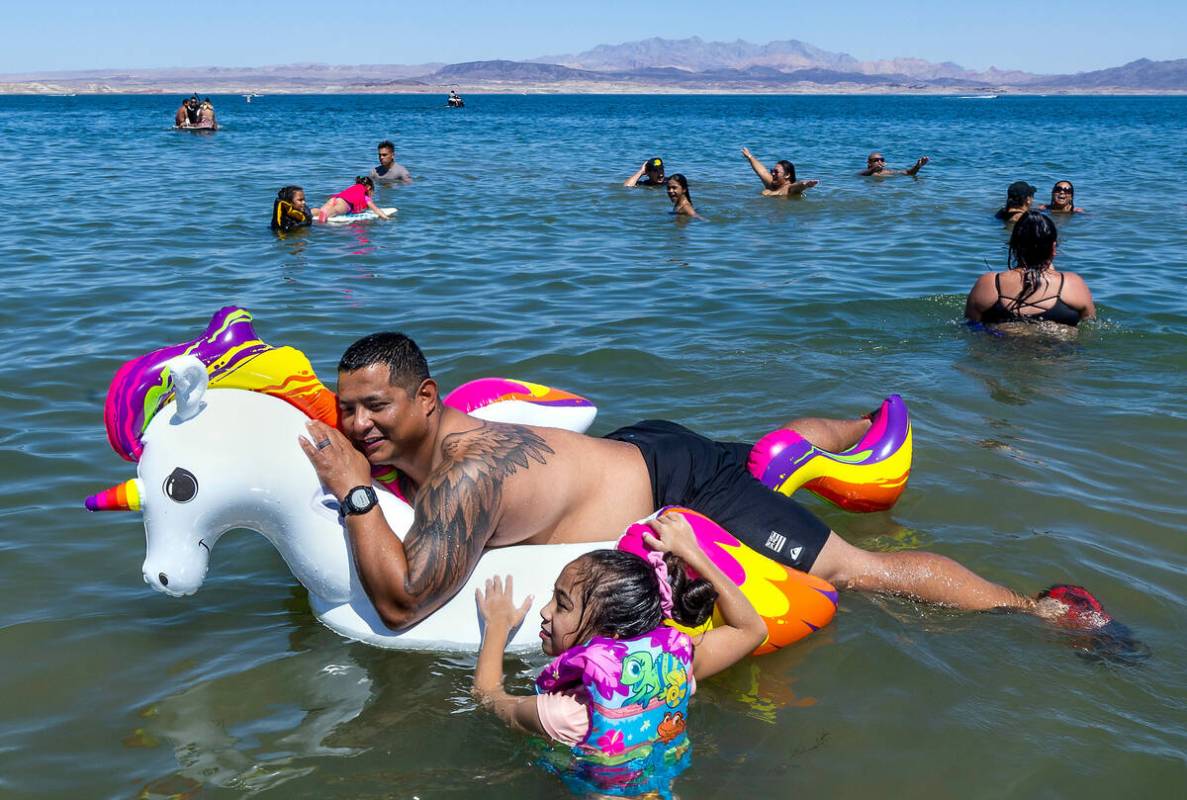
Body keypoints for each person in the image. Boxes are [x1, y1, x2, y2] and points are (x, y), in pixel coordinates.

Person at [299, 332, 1110, 635]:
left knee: (854, 571)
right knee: (765, 459)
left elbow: (404, 603)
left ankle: (1037, 610)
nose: (360, 425)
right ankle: (853, 427)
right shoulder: (409, 439)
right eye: (349, 412)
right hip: (634, 450)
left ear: (427, 400)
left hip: (677, 486)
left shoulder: (465, 475)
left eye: (377, 407)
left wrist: (354, 489)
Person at [472, 513, 765, 797]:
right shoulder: (674, 669)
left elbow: (487, 696)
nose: (545, 611)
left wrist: (496, 628)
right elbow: (750, 629)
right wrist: (693, 554)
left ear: (609, 637)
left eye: (562, 605)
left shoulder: (562, 714)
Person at [965, 211, 1096, 326]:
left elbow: (971, 326)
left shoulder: (989, 283)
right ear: (1053, 248)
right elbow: (1090, 325)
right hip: (1056, 351)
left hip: (1003, 349)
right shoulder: (1072, 284)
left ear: (1014, 246)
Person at [741, 148, 818, 197]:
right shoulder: (772, 183)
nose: (773, 174)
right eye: (772, 171)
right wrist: (749, 156)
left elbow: (798, 186)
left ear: (787, 175)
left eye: (776, 172)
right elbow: (762, 171)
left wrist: (805, 184)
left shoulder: (789, 188)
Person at [314, 176, 391, 223]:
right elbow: (376, 209)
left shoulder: (353, 188)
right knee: (334, 211)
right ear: (368, 187)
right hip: (345, 203)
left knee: (320, 210)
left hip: (335, 198)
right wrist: (386, 218)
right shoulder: (365, 197)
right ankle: (324, 217)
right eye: (372, 192)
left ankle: (311, 212)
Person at [860, 151, 930, 177]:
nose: (879, 161)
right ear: (869, 163)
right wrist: (873, 169)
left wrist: (917, 166)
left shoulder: (887, 172)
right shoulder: (865, 172)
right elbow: (862, 174)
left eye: (882, 160)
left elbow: (909, 173)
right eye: (876, 160)